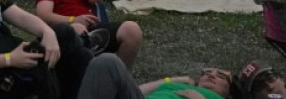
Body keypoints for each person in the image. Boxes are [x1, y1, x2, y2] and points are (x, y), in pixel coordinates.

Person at [35, 0, 143, 68]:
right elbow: (44, 15)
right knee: (78, 28)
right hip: (66, 30)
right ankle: (89, 57)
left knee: (132, 29)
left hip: (94, 28)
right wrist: (73, 20)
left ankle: (119, 76)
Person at [76, 54, 233, 99]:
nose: (212, 74)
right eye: (207, 72)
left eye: (221, 76)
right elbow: (139, 91)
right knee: (107, 61)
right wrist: (174, 80)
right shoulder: (178, 85)